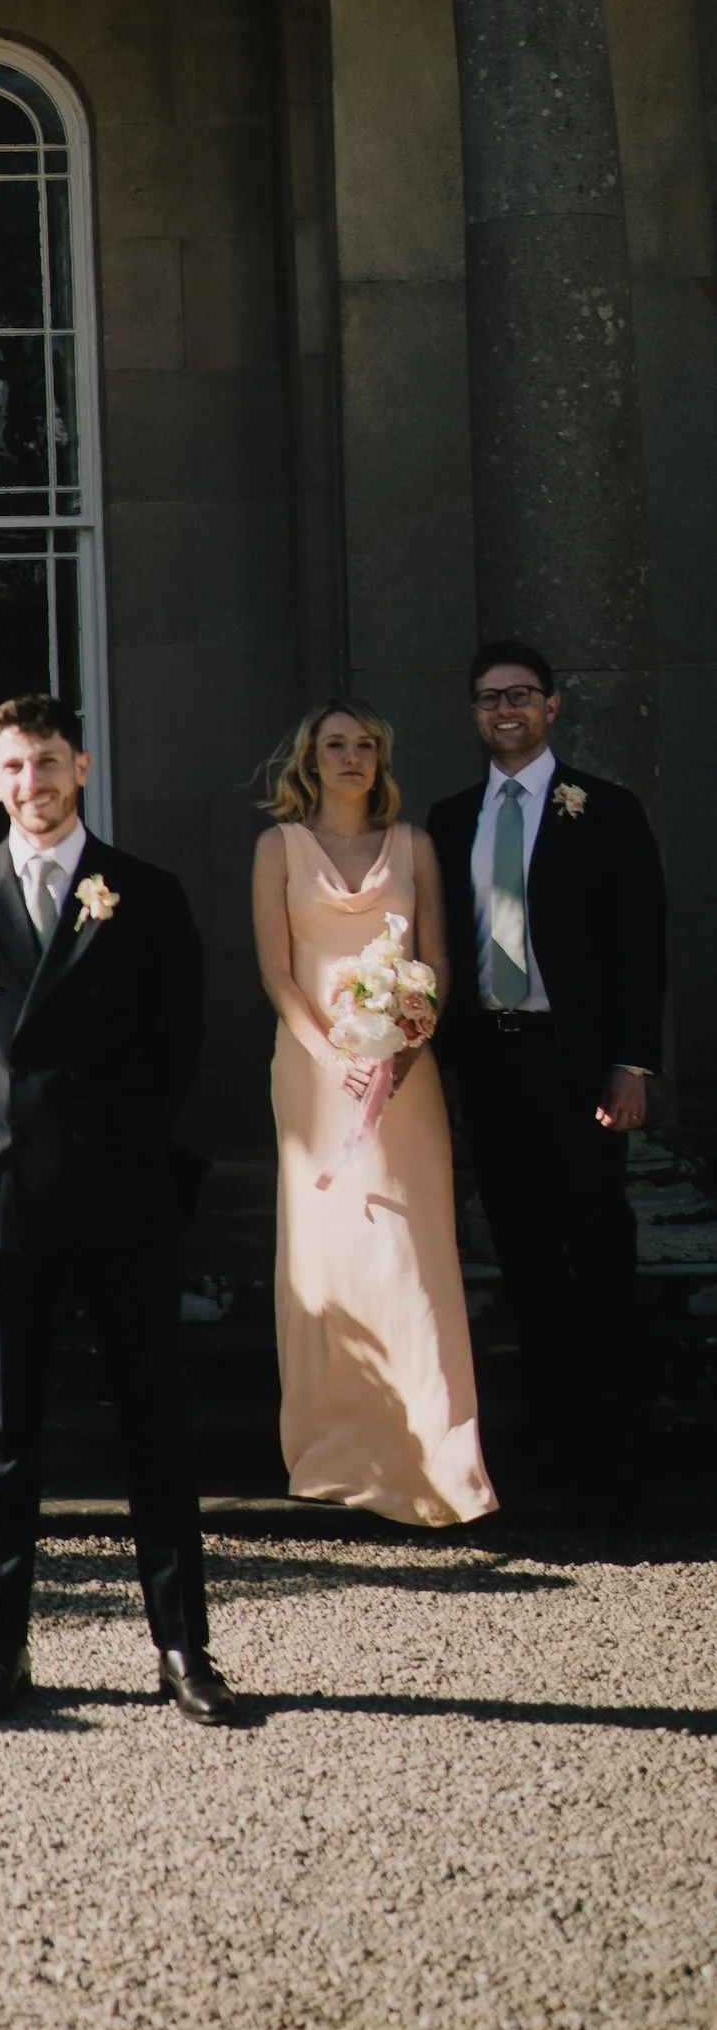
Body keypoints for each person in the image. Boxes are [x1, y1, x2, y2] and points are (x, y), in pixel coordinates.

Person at [0, 692, 237, 1726]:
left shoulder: (143, 890)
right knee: (7, 1437)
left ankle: (183, 1647)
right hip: (4, 1196)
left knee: (154, 1425)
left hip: (119, 1193)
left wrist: (119, 1146)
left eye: (46, 763)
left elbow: (178, 1043)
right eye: (11, 768)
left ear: (82, 766)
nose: (30, 785)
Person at [428, 638, 666, 1513]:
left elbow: (643, 945)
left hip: (579, 1065)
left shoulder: (605, 810)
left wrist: (630, 1065)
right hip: (492, 1062)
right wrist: (448, 1072)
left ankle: (622, 1449)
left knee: (598, 1247)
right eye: (490, 698)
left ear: (553, 707)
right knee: (524, 1256)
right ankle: (555, 1445)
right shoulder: (452, 820)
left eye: (521, 696)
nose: (506, 711)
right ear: (473, 711)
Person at [250, 702, 493, 1528]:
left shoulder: (415, 844)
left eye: (365, 746)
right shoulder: (277, 847)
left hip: (404, 1074)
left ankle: (436, 1455)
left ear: (380, 758)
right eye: (335, 745)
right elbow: (277, 973)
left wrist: (407, 1044)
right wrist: (333, 1059)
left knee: (410, 1250)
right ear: (310, 760)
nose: (351, 757)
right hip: (315, 1078)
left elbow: (437, 962)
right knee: (332, 1250)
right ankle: (335, 1450)